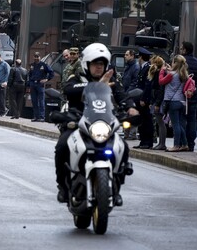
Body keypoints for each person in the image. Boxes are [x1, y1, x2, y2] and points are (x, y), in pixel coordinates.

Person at [56, 43, 138, 204]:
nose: (99, 67)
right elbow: (68, 90)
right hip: (78, 123)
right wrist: (98, 84)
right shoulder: (77, 78)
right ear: (87, 64)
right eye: (95, 63)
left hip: (103, 123)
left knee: (123, 146)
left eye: (101, 64)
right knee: (62, 146)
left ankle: (116, 187)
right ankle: (63, 187)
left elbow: (123, 95)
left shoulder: (112, 80)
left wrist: (131, 108)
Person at [159, 54, 190, 152]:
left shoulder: (171, 74)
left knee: (175, 125)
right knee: (179, 125)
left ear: (175, 63)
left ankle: (176, 145)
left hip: (172, 101)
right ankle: (184, 144)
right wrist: (169, 70)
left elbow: (161, 81)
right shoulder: (184, 74)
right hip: (181, 102)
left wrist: (162, 71)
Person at [180, 41, 197, 152]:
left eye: (181, 48)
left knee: (181, 119)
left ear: (185, 50)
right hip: (195, 93)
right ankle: (191, 144)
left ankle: (182, 142)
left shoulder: (182, 62)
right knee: (192, 119)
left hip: (182, 94)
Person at [134, 47, 154, 149]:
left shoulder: (148, 68)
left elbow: (148, 85)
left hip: (144, 99)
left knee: (146, 120)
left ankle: (147, 142)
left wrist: (144, 99)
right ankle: (142, 141)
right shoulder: (143, 68)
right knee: (141, 120)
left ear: (141, 57)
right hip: (140, 97)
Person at [28, 51, 54, 122]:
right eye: (35, 57)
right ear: (33, 57)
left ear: (40, 57)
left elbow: (51, 73)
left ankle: (42, 117)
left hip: (40, 84)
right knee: (34, 101)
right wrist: (30, 83)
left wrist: (46, 79)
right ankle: (36, 117)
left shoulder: (44, 65)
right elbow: (29, 75)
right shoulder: (32, 65)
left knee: (41, 101)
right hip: (33, 84)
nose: (36, 58)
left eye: (37, 57)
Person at [148, 55, 167, 150]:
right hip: (156, 100)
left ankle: (162, 143)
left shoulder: (159, 73)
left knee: (160, 122)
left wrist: (157, 103)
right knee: (159, 122)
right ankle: (161, 143)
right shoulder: (157, 73)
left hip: (159, 100)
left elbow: (160, 89)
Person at [122, 48, 140, 139]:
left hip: (132, 94)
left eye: (127, 55)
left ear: (132, 56)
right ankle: (126, 134)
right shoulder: (128, 67)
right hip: (126, 93)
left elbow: (134, 82)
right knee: (127, 114)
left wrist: (129, 92)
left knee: (132, 114)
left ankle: (132, 134)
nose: (125, 56)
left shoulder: (135, 67)